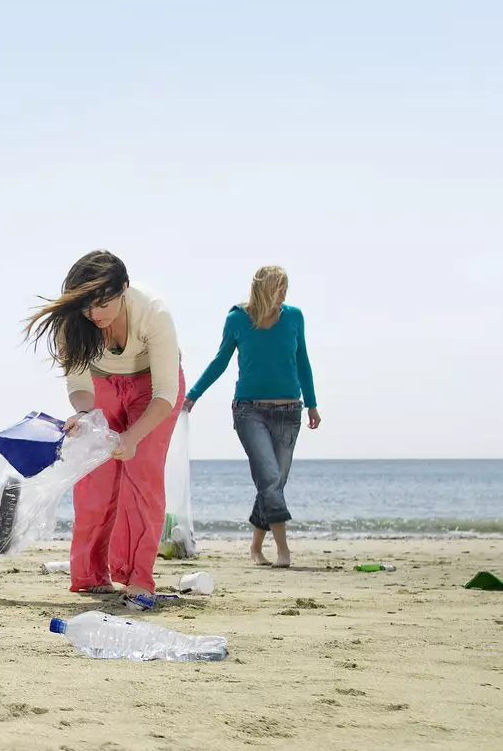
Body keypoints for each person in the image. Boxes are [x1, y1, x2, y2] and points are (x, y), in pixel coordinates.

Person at [26, 251, 182, 607]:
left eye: (103, 303)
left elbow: (166, 394)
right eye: (87, 306)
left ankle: (137, 577)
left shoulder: (153, 311)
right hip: (102, 387)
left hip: (153, 390)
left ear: (124, 289)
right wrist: (84, 416)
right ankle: (91, 575)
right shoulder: (74, 322)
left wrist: (132, 437)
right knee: (95, 477)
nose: (95, 314)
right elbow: (78, 385)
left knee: (141, 477)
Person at [185, 265, 321, 567]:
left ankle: (256, 547)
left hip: (289, 411)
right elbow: (220, 360)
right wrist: (193, 394)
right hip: (250, 410)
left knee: (272, 483)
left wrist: (311, 403)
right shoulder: (238, 319)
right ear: (263, 288)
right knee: (270, 478)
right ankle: (283, 550)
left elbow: (303, 361)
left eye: (286, 288)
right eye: (278, 288)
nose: (283, 295)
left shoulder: (294, 316)